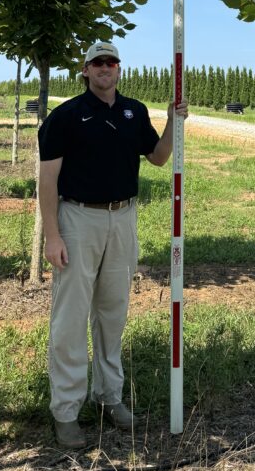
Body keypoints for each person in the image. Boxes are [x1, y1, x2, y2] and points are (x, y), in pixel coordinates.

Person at [38, 41, 188, 449]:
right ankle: (66, 411)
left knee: (112, 312)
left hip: (123, 219)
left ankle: (109, 397)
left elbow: (157, 157)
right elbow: (48, 181)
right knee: (70, 318)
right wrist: (52, 236)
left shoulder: (133, 112)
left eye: (111, 62)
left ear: (119, 69)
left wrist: (174, 122)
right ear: (85, 70)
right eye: (97, 63)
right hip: (78, 220)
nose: (105, 68)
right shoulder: (66, 116)